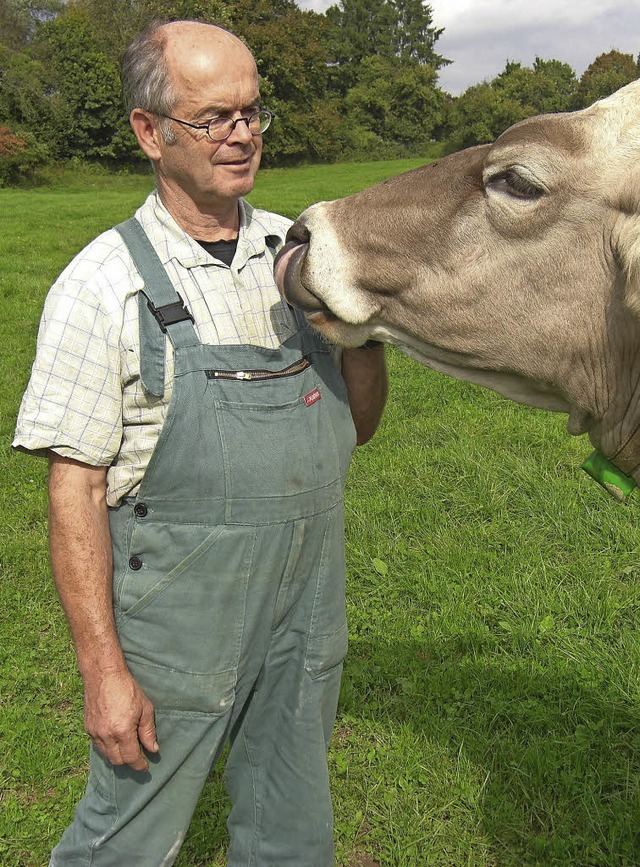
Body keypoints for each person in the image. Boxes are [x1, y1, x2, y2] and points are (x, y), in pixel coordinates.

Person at [13, 18, 387, 867]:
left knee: (292, 828)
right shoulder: (101, 285)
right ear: (150, 132)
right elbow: (72, 491)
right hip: (177, 622)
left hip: (305, 605)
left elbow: (352, 428)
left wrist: (361, 335)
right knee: (127, 837)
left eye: (253, 112)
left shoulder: (300, 256)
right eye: (213, 118)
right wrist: (104, 672)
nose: (242, 135)